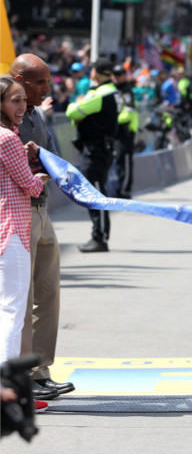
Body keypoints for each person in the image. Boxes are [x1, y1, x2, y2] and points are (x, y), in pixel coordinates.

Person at [10, 54, 75, 400]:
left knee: (48, 295)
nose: (46, 89)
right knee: (21, 300)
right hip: (16, 216)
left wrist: (40, 159)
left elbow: (53, 156)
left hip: (41, 211)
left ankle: (40, 372)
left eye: (48, 82)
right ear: (18, 80)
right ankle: (20, 375)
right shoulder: (6, 124)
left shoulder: (36, 115)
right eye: (39, 82)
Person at [0, 77, 51, 413]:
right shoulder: (7, 139)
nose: (22, 107)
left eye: (23, 101)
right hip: (12, 232)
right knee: (12, 312)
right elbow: (30, 187)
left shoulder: (9, 139)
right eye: (14, 100)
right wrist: (42, 177)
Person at [65, 58, 121, 253]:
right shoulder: (113, 92)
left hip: (95, 149)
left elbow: (72, 112)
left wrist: (79, 104)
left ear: (94, 73)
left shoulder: (98, 95)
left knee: (95, 193)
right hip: (102, 147)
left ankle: (100, 237)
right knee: (97, 190)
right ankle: (99, 234)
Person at [112, 64, 138, 199]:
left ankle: (125, 189)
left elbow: (128, 111)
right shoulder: (115, 89)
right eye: (114, 75)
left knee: (126, 160)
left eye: (119, 75)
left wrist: (114, 120)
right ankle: (121, 187)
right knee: (119, 159)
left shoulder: (126, 91)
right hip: (118, 130)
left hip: (126, 129)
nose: (116, 78)